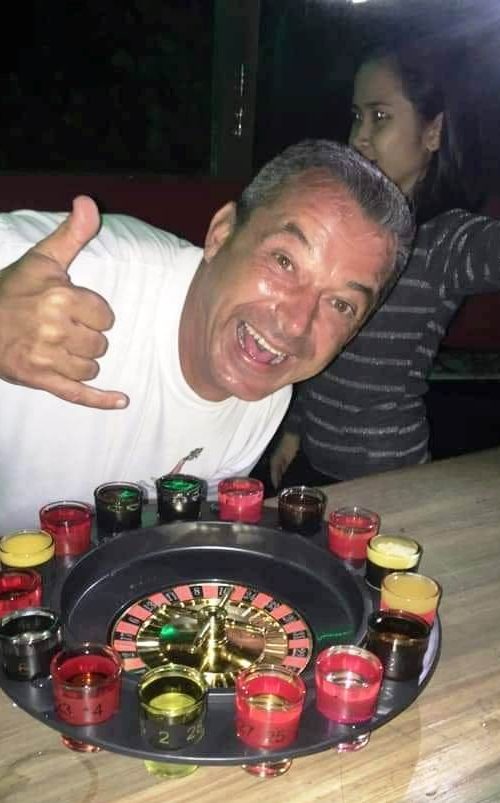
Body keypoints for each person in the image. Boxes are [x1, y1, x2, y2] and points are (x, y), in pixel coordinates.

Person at [0, 139, 411, 529]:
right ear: (221, 234)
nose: (295, 324)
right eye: (284, 261)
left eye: (341, 304)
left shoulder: (264, 402)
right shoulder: (78, 270)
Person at [267, 44, 500, 492]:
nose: (359, 137)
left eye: (380, 117)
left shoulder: (445, 241)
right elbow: (320, 343)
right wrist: (294, 428)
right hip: (314, 459)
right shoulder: (346, 232)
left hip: (390, 472)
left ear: (433, 133)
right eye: (357, 116)